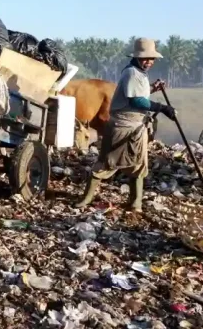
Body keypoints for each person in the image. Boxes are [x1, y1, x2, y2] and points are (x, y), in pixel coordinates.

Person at [74, 37, 177, 212]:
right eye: (145, 58)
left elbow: (141, 94)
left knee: (139, 165)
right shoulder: (130, 73)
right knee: (107, 163)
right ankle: (86, 199)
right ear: (137, 57)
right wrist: (162, 107)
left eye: (151, 59)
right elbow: (137, 101)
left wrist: (153, 88)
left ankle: (135, 204)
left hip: (137, 127)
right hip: (122, 127)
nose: (149, 62)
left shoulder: (140, 74)